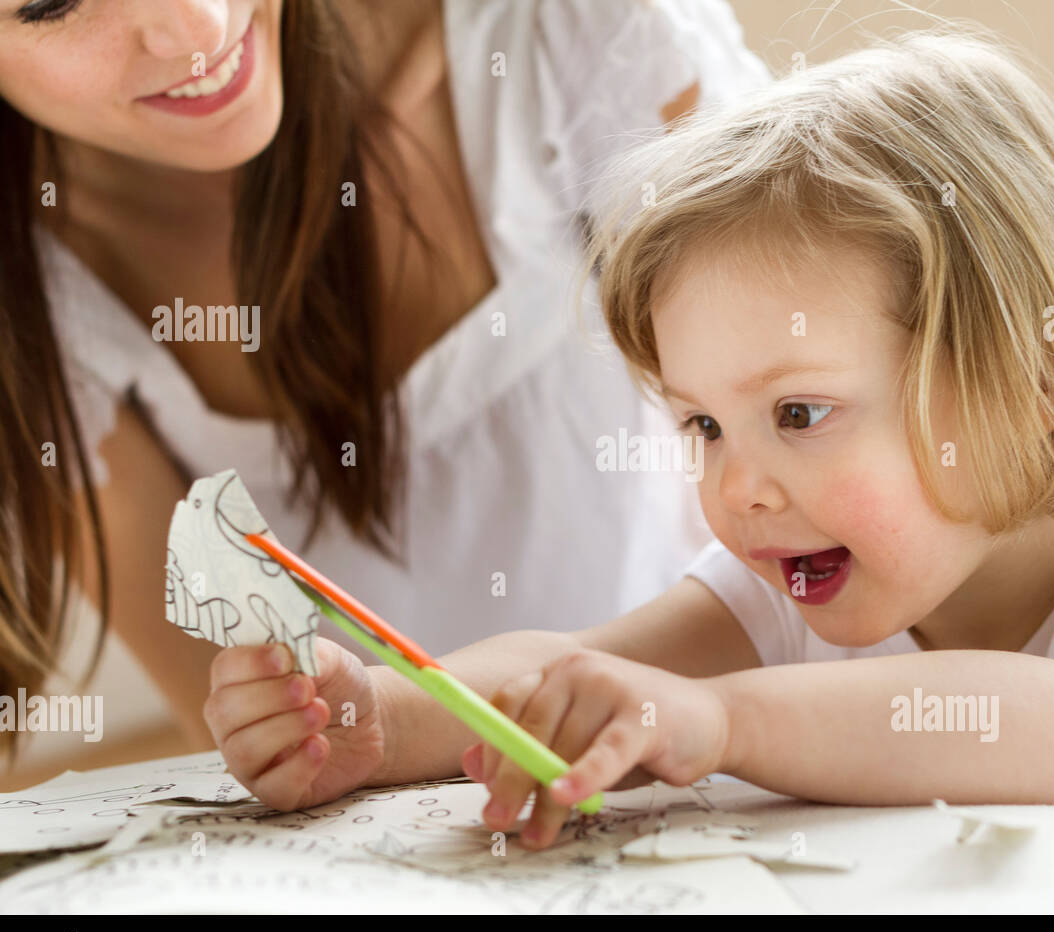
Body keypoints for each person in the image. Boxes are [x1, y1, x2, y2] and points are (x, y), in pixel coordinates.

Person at [205, 28, 1054, 847]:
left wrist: (718, 720)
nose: (738, 489)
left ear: (1035, 373)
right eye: (701, 424)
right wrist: (380, 717)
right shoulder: (794, 588)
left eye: (798, 414)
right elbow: (579, 666)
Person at [0, 0, 770, 756]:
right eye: (49, 5)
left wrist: (630, 705)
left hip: (744, 733)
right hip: (395, 848)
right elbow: (262, 746)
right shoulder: (40, 297)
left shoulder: (570, 29)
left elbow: (815, 520)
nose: (201, 24)